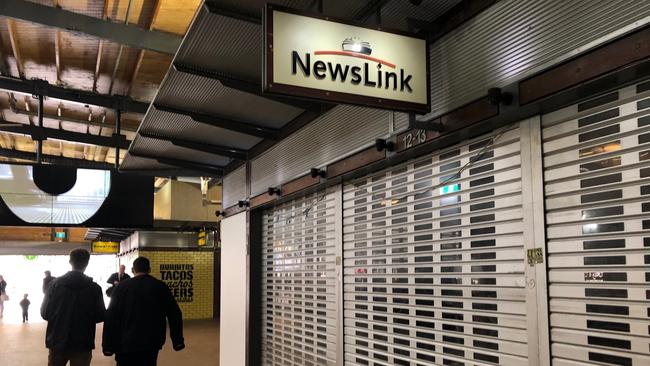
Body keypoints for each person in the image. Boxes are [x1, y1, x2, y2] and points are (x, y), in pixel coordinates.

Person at [103, 257, 184, 366]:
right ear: (149, 269)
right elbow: (174, 313)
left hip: (125, 342)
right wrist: (177, 341)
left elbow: (111, 316)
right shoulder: (160, 286)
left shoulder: (122, 287)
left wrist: (108, 346)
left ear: (133, 270)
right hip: (151, 341)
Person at [41, 249, 105, 366]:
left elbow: (44, 313)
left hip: (57, 341)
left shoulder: (54, 285)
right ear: (87, 263)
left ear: (70, 261)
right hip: (82, 342)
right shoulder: (95, 288)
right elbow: (100, 315)